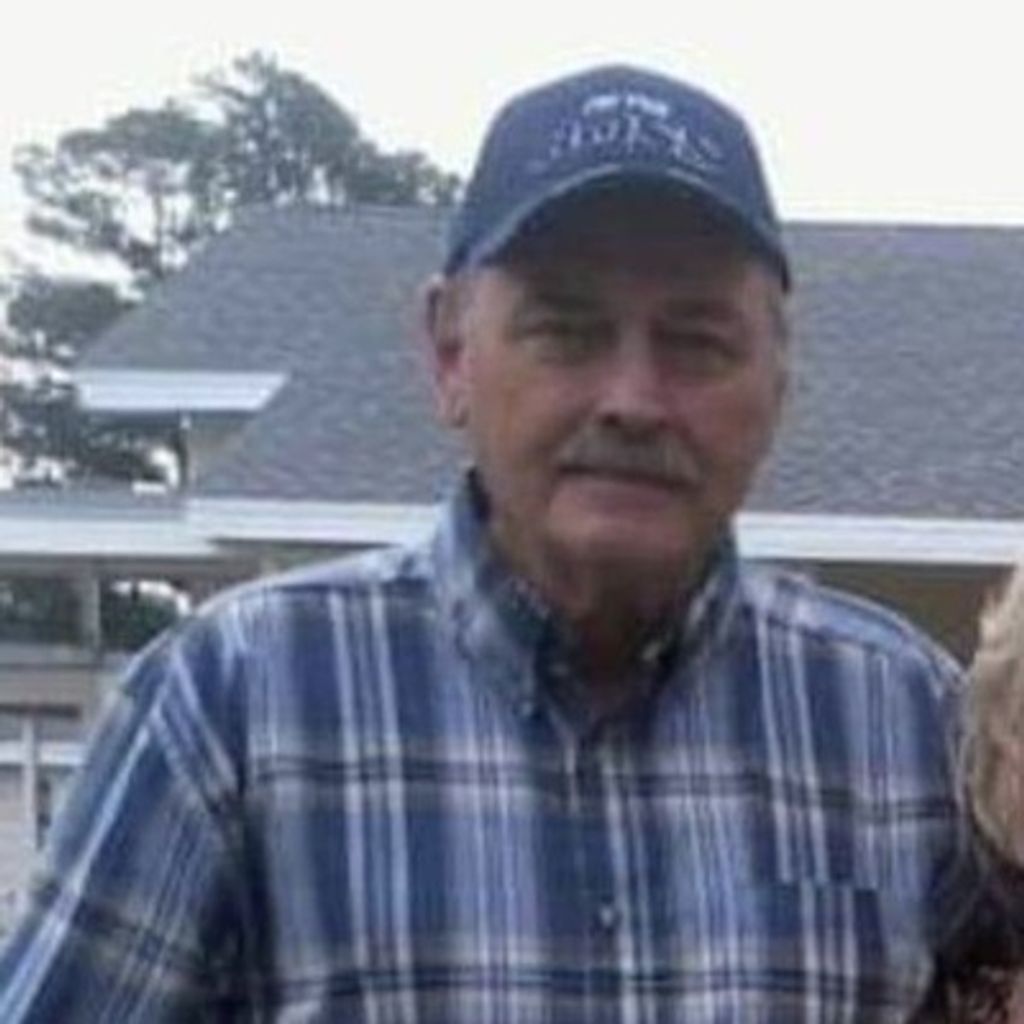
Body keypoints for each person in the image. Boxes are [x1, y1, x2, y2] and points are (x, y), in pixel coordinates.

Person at [0, 63, 1020, 1021]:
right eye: (567, 331)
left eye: (697, 341)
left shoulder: (907, 723)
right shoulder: (230, 705)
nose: (632, 399)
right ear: (450, 351)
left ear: (779, 379)